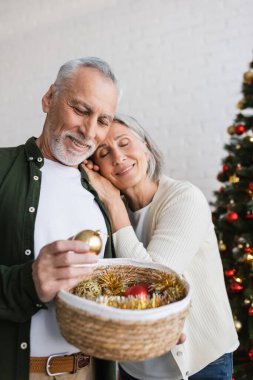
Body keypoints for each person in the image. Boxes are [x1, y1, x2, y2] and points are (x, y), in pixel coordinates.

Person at [83, 114, 239, 380]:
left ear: (145, 145)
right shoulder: (102, 216)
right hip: (136, 369)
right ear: (96, 168)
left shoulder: (184, 198)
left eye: (124, 143)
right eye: (103, 153)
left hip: (200, 365)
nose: (118, 158)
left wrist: (114, 203)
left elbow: (157, 279)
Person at [0, 57, 119, 380]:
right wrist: (28, 282)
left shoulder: (101, 190)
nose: (89, 131)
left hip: (92, 370)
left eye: (103, 120)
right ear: (49, 98)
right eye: (80, 110)